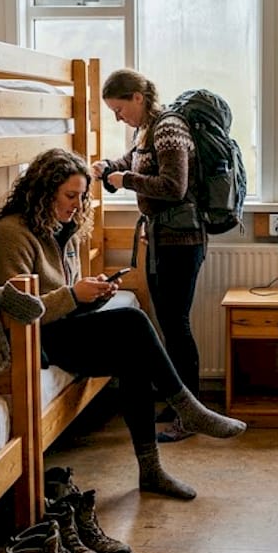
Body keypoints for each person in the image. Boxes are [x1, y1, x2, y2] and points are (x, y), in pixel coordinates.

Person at [0, 148, 245, 500]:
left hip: (58, 328)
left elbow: (65, 298)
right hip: (30, 339)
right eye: (70, 196)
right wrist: (75, 295)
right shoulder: (10, 235)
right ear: (44, 191)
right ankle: (187, 407)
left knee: (132, 357)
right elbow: (17, 312)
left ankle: (151, 470)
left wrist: (95, 295)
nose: (77, 204)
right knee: (132, 321)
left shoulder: (60, 229)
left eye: (82, 196)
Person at [92, 69, 206, 443]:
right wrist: (109, 168)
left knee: (177, 325)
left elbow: (175, 186)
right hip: (161, 241)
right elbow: (130, 162)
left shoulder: (169, 128)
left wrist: (126, 182)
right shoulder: (145, 131)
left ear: (138, 98)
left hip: (181, 240)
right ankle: (178, 403)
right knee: (168, 324)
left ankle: (191, 414)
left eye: (119, 108)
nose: (117, 117)